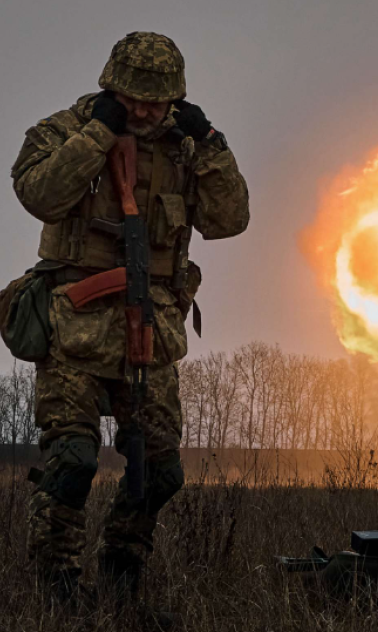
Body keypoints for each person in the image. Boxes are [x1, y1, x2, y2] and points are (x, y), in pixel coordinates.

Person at [10, 31, 249, 602]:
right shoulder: (66, 129)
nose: (145, 110)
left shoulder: (187, 146)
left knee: (161, 472)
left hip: (153, 331)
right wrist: (98, 132)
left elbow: (229, 219)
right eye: (134, 98)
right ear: (111, 88)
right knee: (72, 462)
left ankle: (121, 568)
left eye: (157, 101)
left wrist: (212, 143)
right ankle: (58, 585)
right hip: (76, 332)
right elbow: (38, 194)